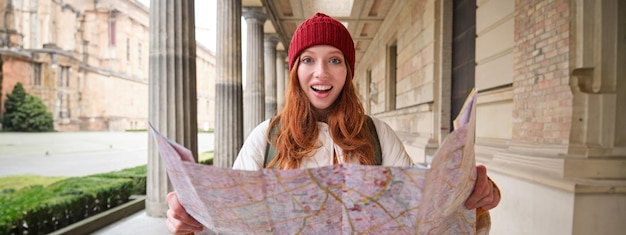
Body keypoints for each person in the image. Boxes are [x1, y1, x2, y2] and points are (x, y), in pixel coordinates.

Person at [166, 12, 501, 234]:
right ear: (295, 70)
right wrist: (190, 222)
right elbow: (230, 222)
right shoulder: (265, 137)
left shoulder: (379, 135)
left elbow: (420, 218)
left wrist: (473, 199)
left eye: (335, 60)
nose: (321, 73)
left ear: (348, 72)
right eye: (308, 60)